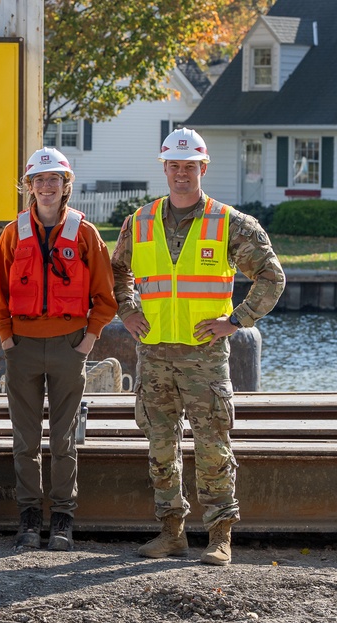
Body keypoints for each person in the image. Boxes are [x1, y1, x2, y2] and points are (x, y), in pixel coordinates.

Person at [110, 127, 285, 566]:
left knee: (212, 447)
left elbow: (271, 276)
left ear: (203, 168)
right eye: (175, 166)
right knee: (159, 447)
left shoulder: (229, 223)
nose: (182, 173)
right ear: (164, 169)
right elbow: (117, 273)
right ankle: (171, 532)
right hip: (153, 355)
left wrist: (236, 322)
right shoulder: (141, 220)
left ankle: (220, 536)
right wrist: (128, 311)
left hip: (204, 357)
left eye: (190, 166)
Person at [0, 147, 116, 552]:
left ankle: (63, 519)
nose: (47, 187)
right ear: (29, 186)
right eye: (39, 180)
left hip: (69, 345)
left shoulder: (84, 233)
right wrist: (7, 339)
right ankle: (29, 518)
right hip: (23, 346)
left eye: (54, 180)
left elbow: (105, 296)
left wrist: (88, 341)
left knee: (63, 439)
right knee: (25, 440)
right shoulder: (14, 233)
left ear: (66, 187)